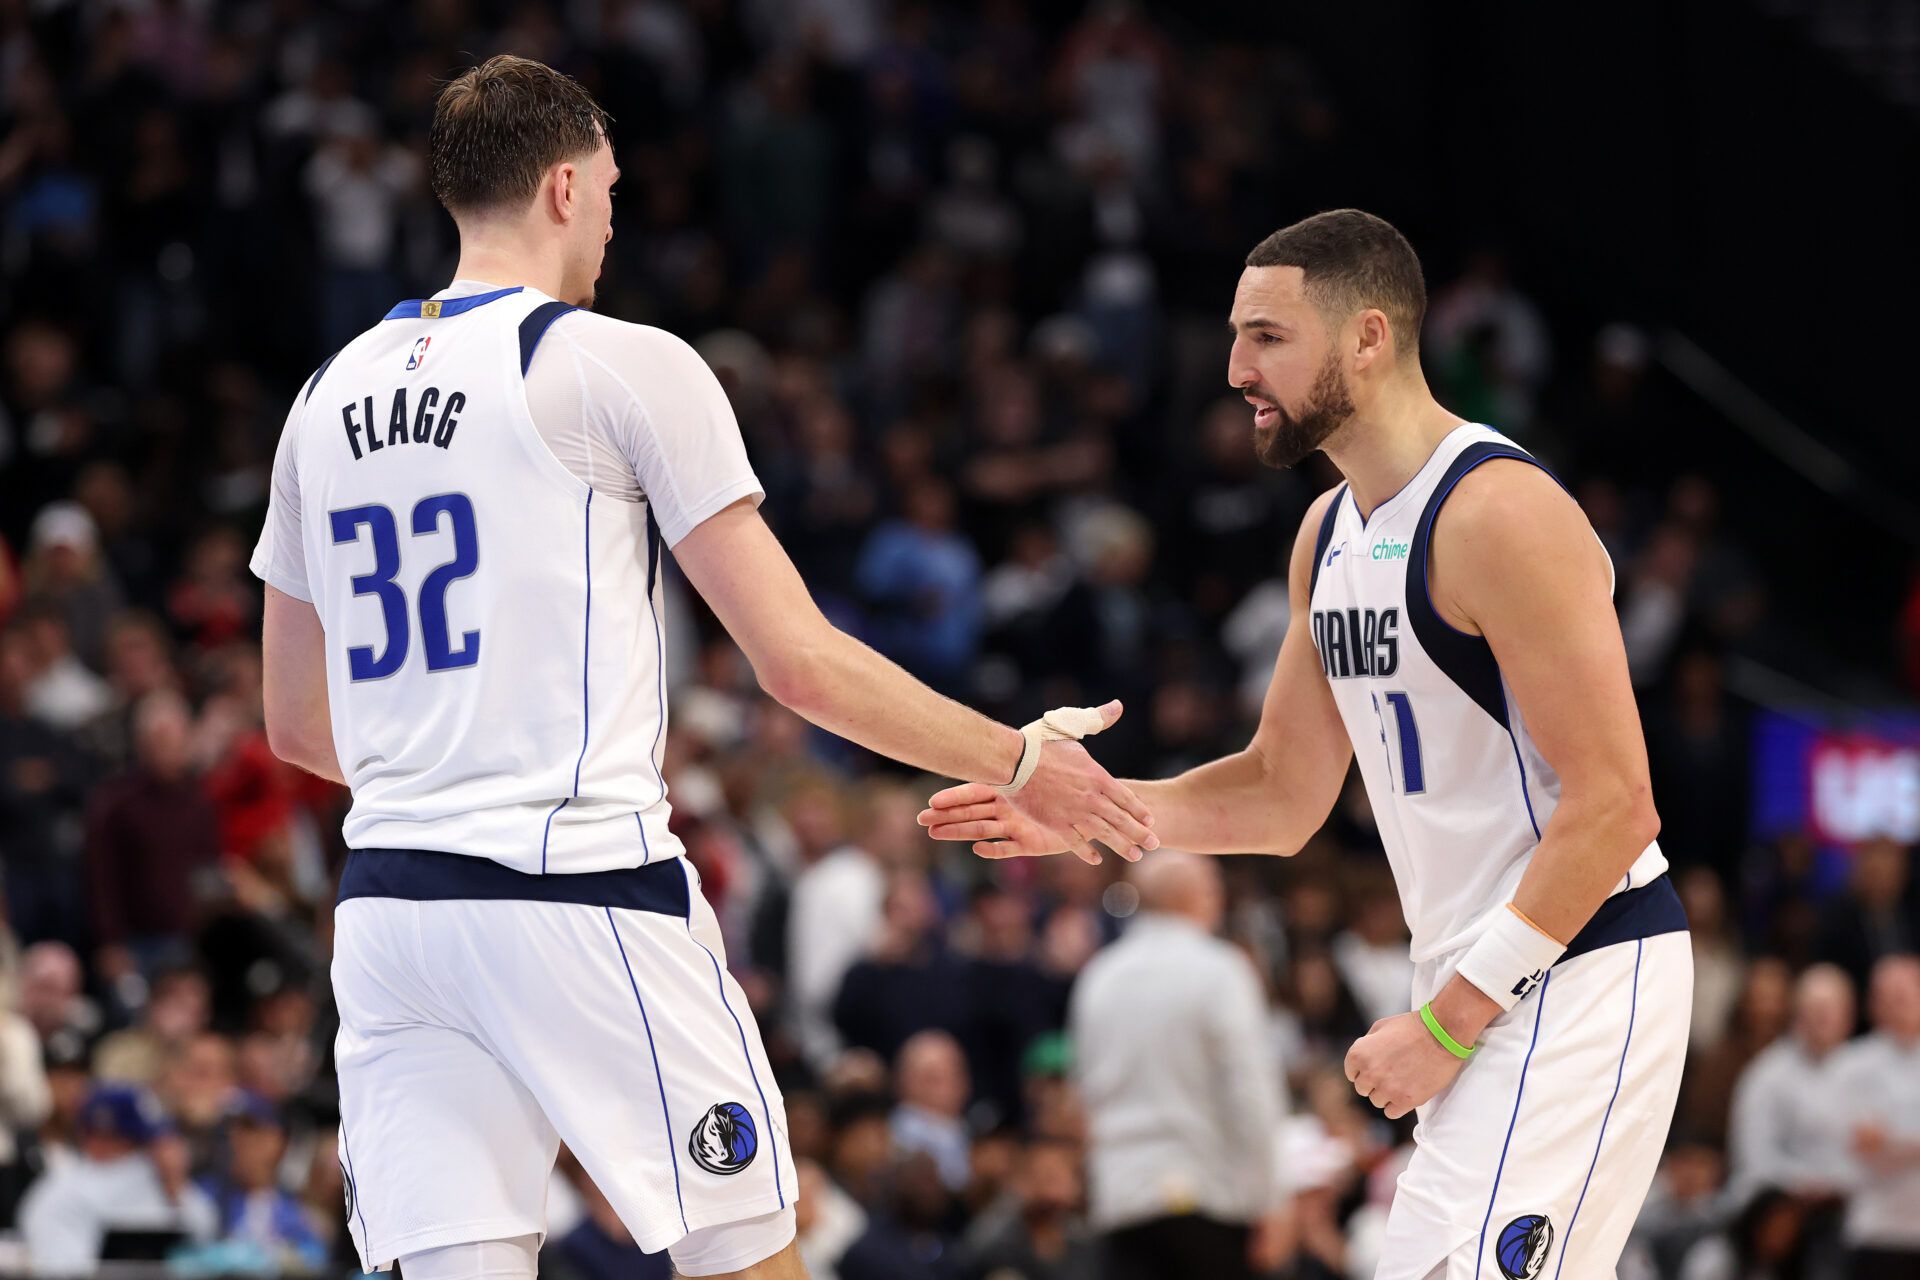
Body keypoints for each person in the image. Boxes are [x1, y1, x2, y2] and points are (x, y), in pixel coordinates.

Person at [250, 55, 1154, 1280]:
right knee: (747, 1257)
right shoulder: (616, 362)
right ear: (566, 186)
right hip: (573, 887)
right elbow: (799, 662)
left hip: (393, 910)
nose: (616, 218)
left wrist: (451, 756)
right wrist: (1018, 755)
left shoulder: (320, 396)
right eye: (613, 189)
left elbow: (300, 723)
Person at [922, 209, 1692, 1279]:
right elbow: (1283, 794)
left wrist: (1453, 1020)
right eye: (1237, 335)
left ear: (1369, 337)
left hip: (1576, 966)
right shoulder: (1327, 532)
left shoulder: (1500, 513)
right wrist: (1089, 808)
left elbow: (1617, 805)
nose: (1236, 367)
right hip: (1485, 977)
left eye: (1269, 337)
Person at [1068, 853, 1287, 1280]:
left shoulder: (1098, 977)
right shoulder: (1220, 969)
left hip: (1121, 1199)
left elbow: (1084, 1095)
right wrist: (1271, 1199)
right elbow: (1251, 1091)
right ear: (1199, 896)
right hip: (1203, 1194)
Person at [1832, 954, 1920, 1278]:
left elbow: (1883, 1142)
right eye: (1889, 997)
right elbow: (1865, 1144)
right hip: (1876, 1227)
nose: (1900, 1004)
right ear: (1873, 1004)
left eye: (1906, 993)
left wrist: (1892, 1141)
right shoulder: (1851, 1064)